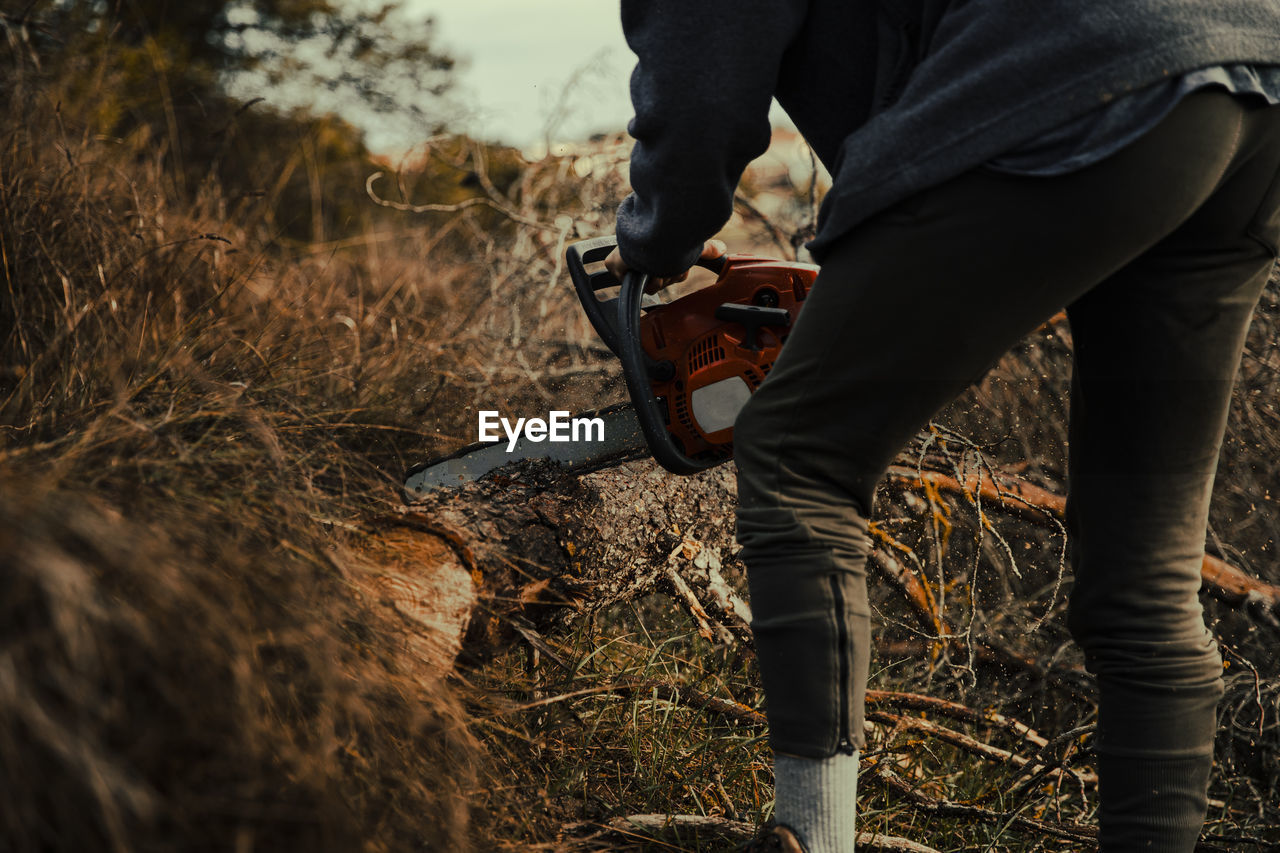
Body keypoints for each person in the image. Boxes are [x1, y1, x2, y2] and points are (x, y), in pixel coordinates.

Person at [603, 2, 1280, 851]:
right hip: (1250, 79)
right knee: (1146, 581)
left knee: (797, 452)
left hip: (1086, 69)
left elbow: (704, 81)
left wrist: (656, 238)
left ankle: (814, 836)